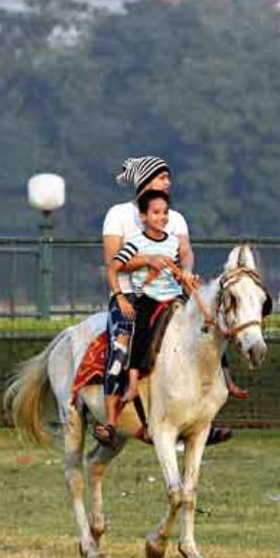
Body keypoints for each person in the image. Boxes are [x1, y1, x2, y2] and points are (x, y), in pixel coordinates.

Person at [100, 155, 244, 444]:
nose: (168, 182)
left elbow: (186, 251)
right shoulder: (117, 214)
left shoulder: (174, 217)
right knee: (120, 349)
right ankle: (111, 420)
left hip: (170, 292)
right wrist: (148, 260)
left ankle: (205, 413)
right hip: (129, 295)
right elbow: (112, 260)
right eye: (162, 177)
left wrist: (187, 272)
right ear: (145, 181)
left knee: (207, 328)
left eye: (168, 177)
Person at [96, 189, 185, 446]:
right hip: (147, 296)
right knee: (138, 331)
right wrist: (121, 298)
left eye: (165, 213)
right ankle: (132, 384)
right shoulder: (135, 243)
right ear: (144, 216)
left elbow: (177, 271)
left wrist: (185, 277)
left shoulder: (172, 242)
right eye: (156, 213)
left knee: (206, 325)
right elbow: (113, 267)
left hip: (174, 297)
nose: (162, 217)